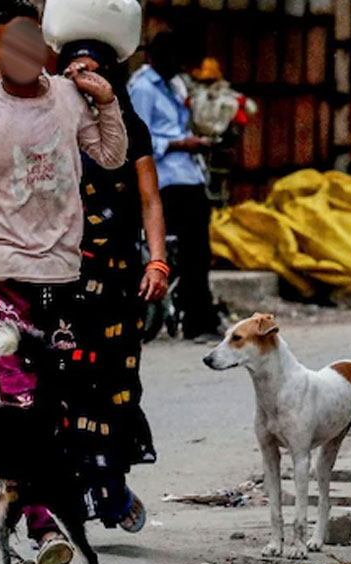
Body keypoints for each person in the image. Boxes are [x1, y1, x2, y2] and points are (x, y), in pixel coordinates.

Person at [0, 0, 128, 564]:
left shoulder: (70, 99)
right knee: (21, 407)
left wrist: (106, 99)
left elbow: (112, 155)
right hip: (4, 279)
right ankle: (45, 529)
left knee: (58, 408)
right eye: (7, 41)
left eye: (29, 37)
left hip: (65, 278)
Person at [53, 38, 169, 532]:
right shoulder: (51, 126)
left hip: (120, 280)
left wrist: (157, 262)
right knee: (66, 389)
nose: (81, 79)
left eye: (90, 70)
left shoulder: (131, 128)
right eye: (71, 70)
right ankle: (73, 495)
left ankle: (113, 486)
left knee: (116, 387)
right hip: (61, 278)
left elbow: (149, 201)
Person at [128, 31, 222, 343]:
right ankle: (197, 319)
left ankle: (199, 313)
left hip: (188, 177)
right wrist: (181, 144)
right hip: (166, 180)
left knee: (198, 252)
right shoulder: (143, 88)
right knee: (193, 250)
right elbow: (139, 140)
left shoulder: (172, 86)